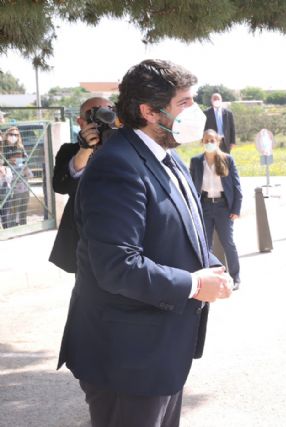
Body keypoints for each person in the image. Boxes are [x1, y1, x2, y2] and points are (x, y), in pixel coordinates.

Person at [57, 59, 234, 427]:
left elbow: (181, 227)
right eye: (184, 102)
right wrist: (194, 284)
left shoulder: (170, 158)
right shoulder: (116, 165)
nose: (195, 111)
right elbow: (117, 266)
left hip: (161, 351)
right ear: (149, 112)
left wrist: (211, 266)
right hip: (126, 359)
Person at [49, 97, 114, 272]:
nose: (104, 118)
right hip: (84, 237)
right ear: (81, 122)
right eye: (95, 114)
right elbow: (60, 186)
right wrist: (85, 150)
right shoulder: (70, 150)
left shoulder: (126, 146)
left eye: (109, 112)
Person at [189, 129, 243, 290]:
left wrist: (236, 209)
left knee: (228, 243)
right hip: (204, 206)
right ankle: (211, 278)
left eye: (212, 140)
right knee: (205, 245)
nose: (209, 143)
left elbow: (237, 187)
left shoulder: (227, 159)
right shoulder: (196, 161)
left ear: (218, 141)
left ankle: (235, 277)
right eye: (206, 140)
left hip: (223, 207)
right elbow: (191, 187)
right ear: (202, 142)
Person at [2, 127, 29, 227]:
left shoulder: (20, 147)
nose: (14, 137)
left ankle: (24, 225)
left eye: (16, 135)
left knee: (23, 203)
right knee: (12, 206)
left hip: (21, 178)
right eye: (11, 134)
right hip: (8, 179)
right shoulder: (3, 147)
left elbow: (26, 160)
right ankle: (12, 227)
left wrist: (22, 164)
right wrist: (9, 161)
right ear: (7, 135)